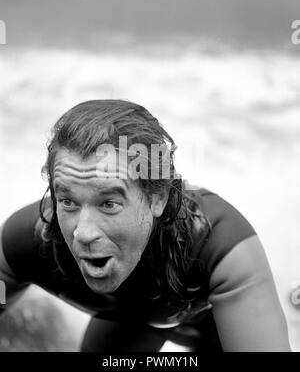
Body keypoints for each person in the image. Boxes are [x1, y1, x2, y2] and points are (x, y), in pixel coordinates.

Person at [0, 99, 291, 352]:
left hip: (211, 326)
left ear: (157, 197)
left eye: (109, 204)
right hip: (129, 324)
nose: (83, 233)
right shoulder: (28, 242)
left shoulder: (219, 247)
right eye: (68, 202)